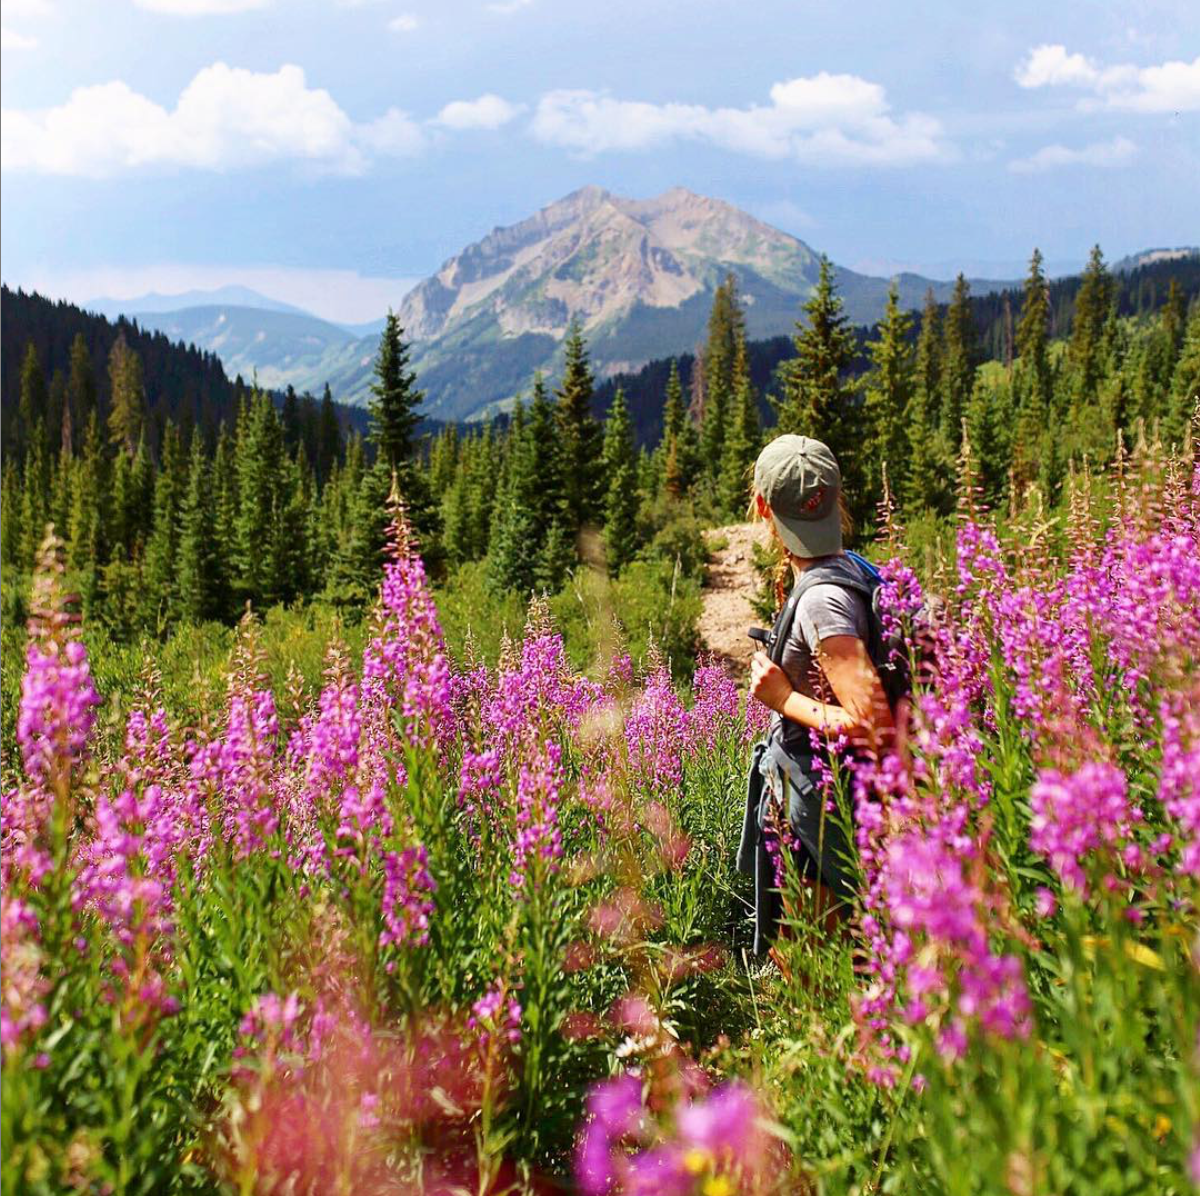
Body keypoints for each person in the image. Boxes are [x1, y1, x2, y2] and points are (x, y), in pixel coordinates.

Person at [736, 434, 894, 955]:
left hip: (825, 811)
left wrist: (782, 697)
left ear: (762, 507)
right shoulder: (857, 568)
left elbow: (871, 721)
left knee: (810, 965)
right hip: (847, 804)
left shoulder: (822, 600)